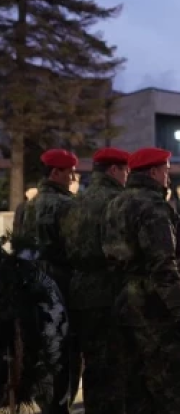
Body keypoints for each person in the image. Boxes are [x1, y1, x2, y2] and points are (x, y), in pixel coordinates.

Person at [102, 147, 180, 414]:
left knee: (134, 390)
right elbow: (163, 268)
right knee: (171, 390)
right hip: (155, 310)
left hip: (124, 305)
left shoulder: (116, 203)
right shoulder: (153, 207)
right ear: (154, 172)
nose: (168, 176)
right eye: (166, 170)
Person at [63, 147, 130, 414]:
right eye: (124, 170)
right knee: (115, 368)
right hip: (110, 293)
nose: (126, 176)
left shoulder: (76, 200)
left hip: (80, 292)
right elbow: (123, 251)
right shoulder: (118, 201)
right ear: (113, 170)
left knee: (92, 366)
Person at [20, 148, 80, 413]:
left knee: (41, 353)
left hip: (31, 288)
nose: (72, 178)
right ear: (56, 173)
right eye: (69, 172)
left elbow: (19, 248)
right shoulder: (67, 205)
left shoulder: (26, 207)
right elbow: (78, 249)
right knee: (66, 354)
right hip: (63, 288)